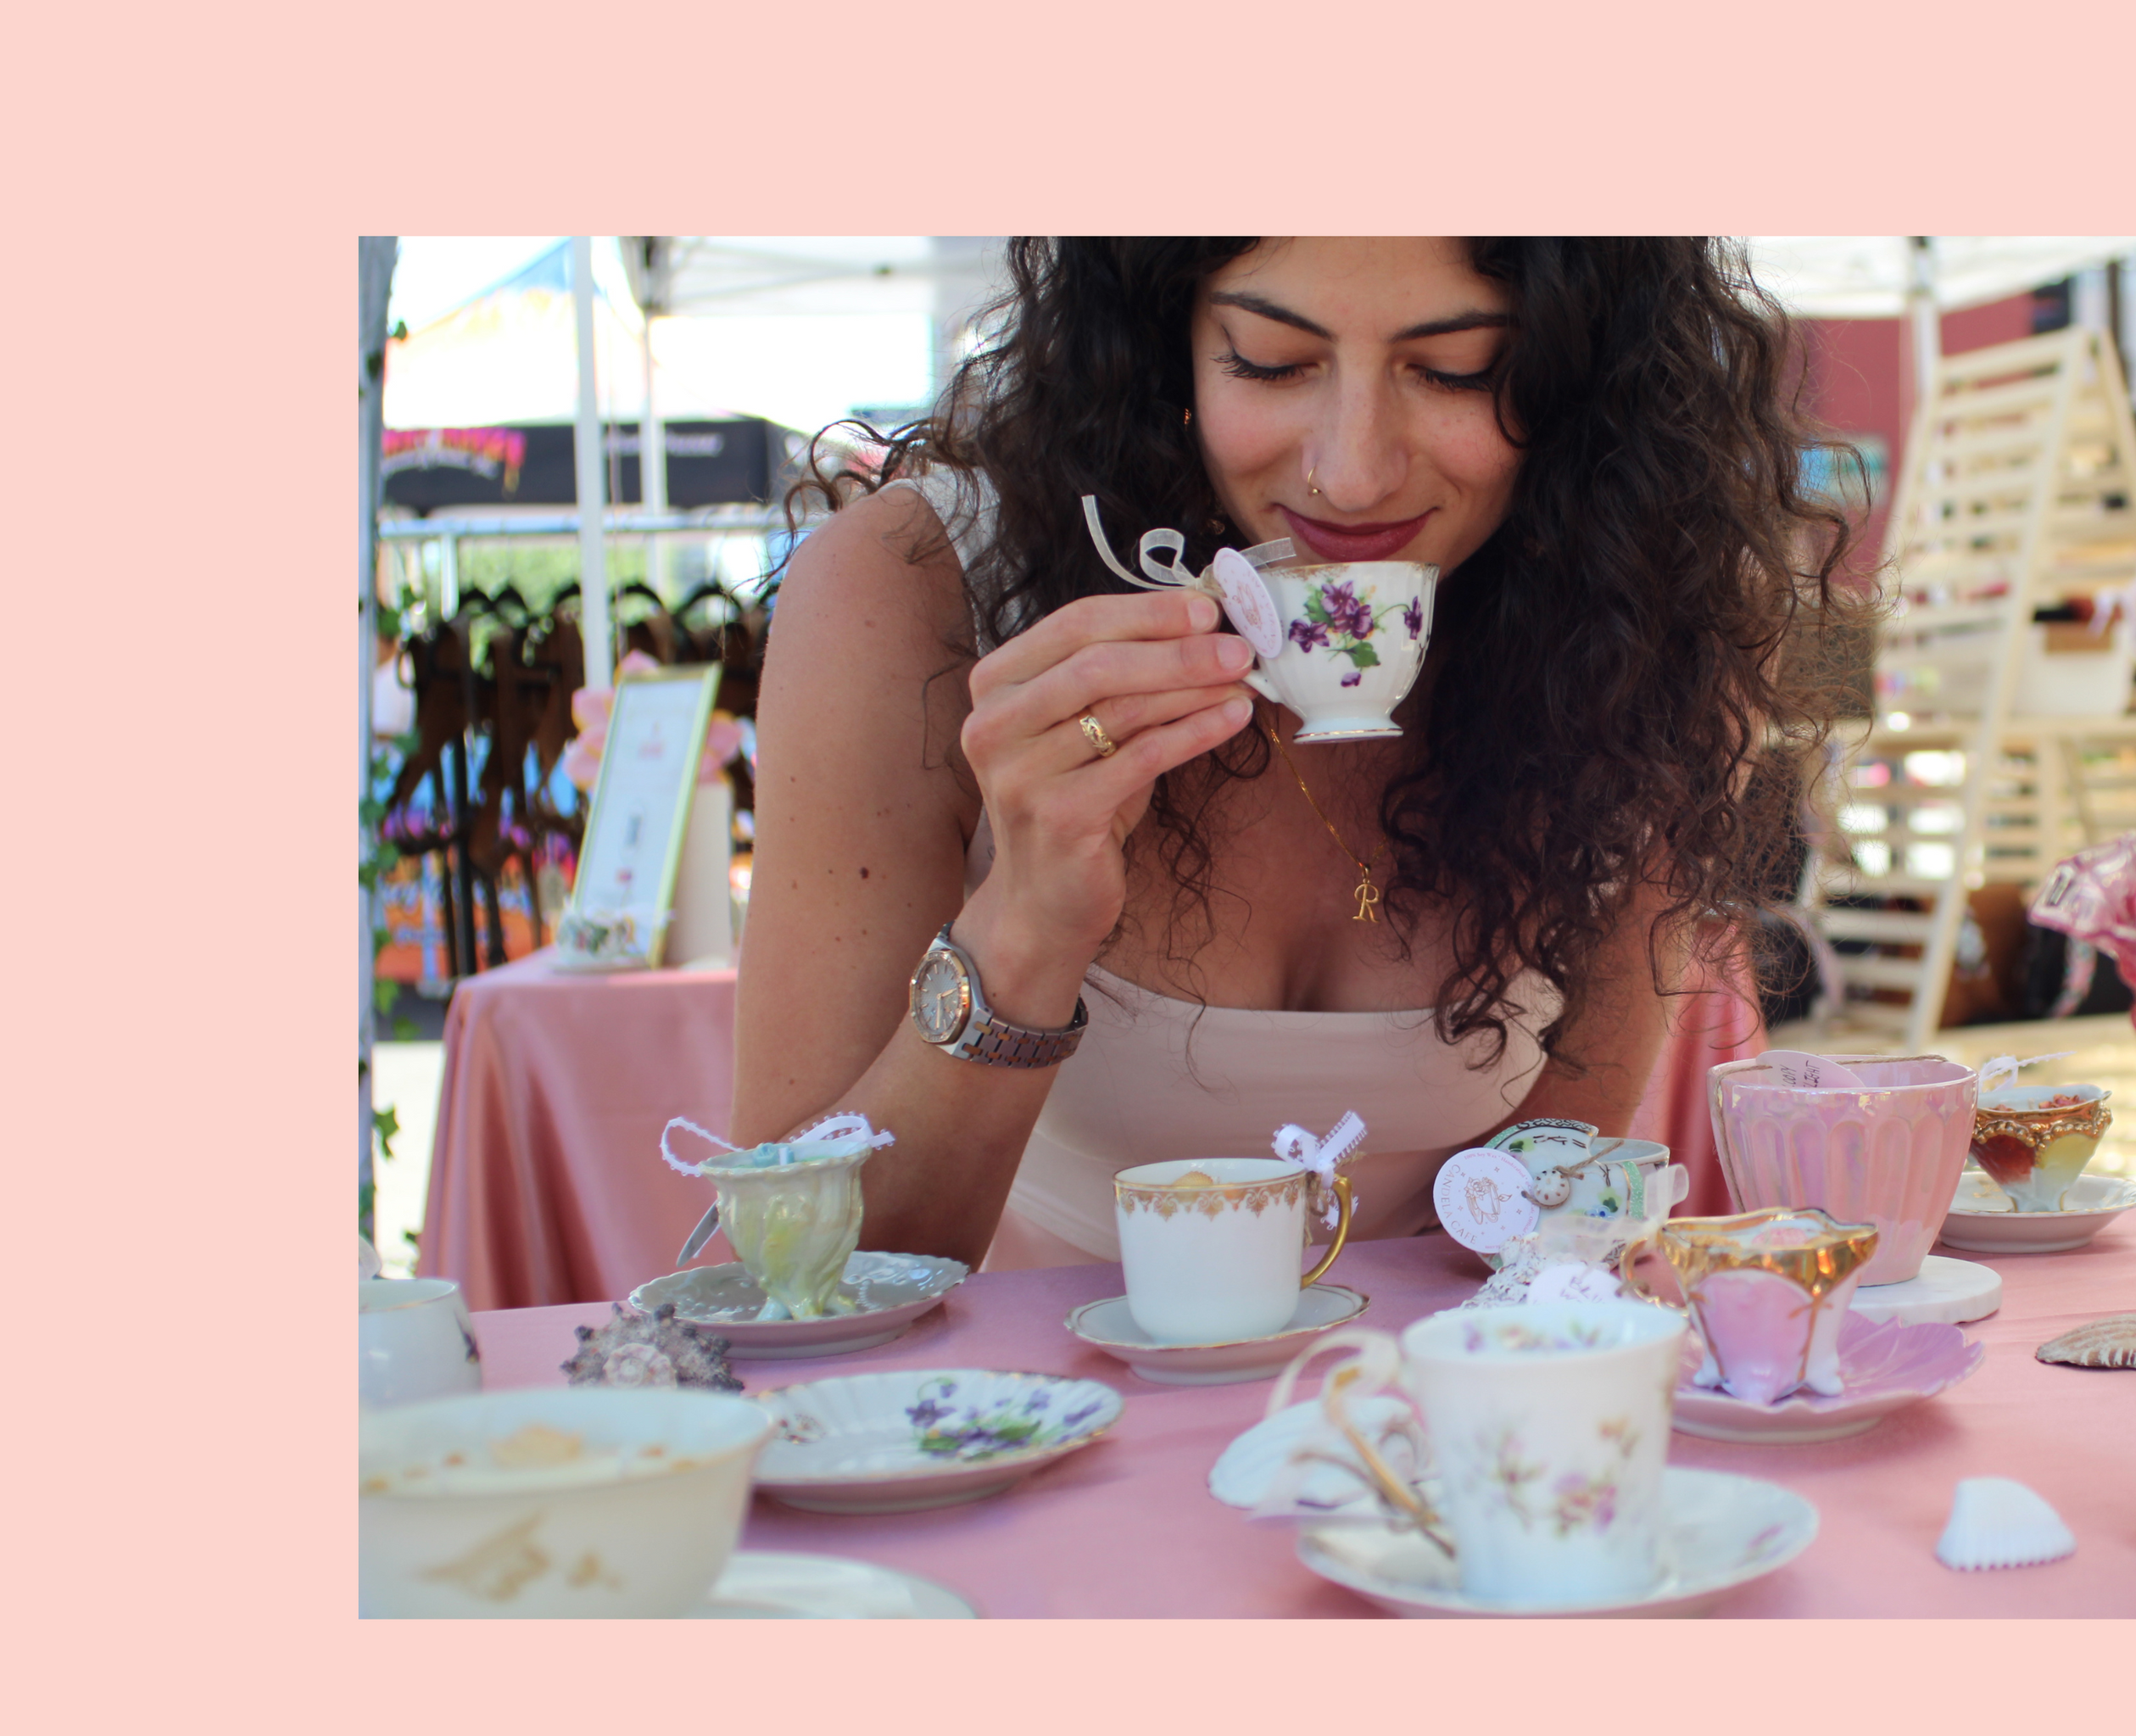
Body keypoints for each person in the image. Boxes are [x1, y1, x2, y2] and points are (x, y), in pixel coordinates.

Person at [732, 238, 1858, 1271]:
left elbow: (1542, 1223)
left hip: (1406, 1441)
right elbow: (790, 1273)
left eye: (1456, 369)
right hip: (1019, 1443)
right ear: (1164, 346)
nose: (1354, 472)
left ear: (1577, 381)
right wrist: (1026, 922)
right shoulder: (913, 591)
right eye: (1271, 362)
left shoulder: (1635, 626)